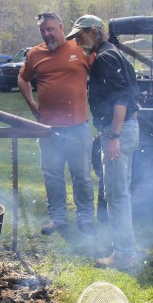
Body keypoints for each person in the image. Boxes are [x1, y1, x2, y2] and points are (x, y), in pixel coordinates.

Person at [67, 15, 140, 270]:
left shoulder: (105, 58)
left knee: (117, 195)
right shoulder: (115, 54)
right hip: (124, 129)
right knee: (119, 193)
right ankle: (123, 250)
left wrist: (115, 136)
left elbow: (121, 97)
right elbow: (134, 95)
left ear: (95, 31)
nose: (78, 42)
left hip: (117, 132)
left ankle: (125, 255)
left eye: (80, 36)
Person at [19, 12, 95, 235]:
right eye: (43, 30)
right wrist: (32, 105)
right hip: (48, 130)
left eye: (50, 29)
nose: (47, 34)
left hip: (78, 127)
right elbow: (23, 78)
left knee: (81, 175)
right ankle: (58, 219)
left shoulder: (79, 49)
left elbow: (100, 73)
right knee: (52, 176)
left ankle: (86, 219)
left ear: (61, 27)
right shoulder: (35, 54)